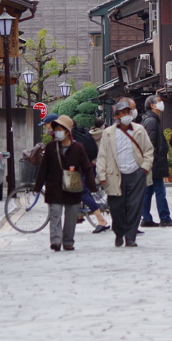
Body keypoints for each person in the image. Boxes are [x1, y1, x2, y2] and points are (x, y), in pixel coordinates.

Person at [96, 98, 153, 248]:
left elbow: (148, 150)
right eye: (122, 113)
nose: (126, 115)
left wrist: (145, 168)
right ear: (116, 116)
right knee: (116, 207)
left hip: (136, 172)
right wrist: (101, 175)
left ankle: (130, 237)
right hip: (115, 174)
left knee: (135, 206)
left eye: (128, 112)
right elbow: (102, 155)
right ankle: (119, 232)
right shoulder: (108, 133)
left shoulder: (139, 130)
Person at [33, 114, 95, 251]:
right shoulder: (50, 147)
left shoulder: (78, 148)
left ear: (67, 132)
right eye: (56, 129)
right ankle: (55, 241)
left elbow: (86, 167)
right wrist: (38, 186)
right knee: (55, 213)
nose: (58, 132)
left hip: (72, 187)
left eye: (61, 129)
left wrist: (92, 185)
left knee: (71, 216)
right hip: (54, 187)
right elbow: (43, 168)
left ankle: (68, 241)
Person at [139, 95, 172, 227]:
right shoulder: (151, 121)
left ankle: (146, 217)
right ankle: (164, 217)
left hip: (152, 162)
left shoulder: (151, 120)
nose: (161, 103)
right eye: (158, 101)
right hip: (154, 163)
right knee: (159, 191)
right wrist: (153, 160)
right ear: (152, 105)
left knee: (148, 191)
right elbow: (151, 143)